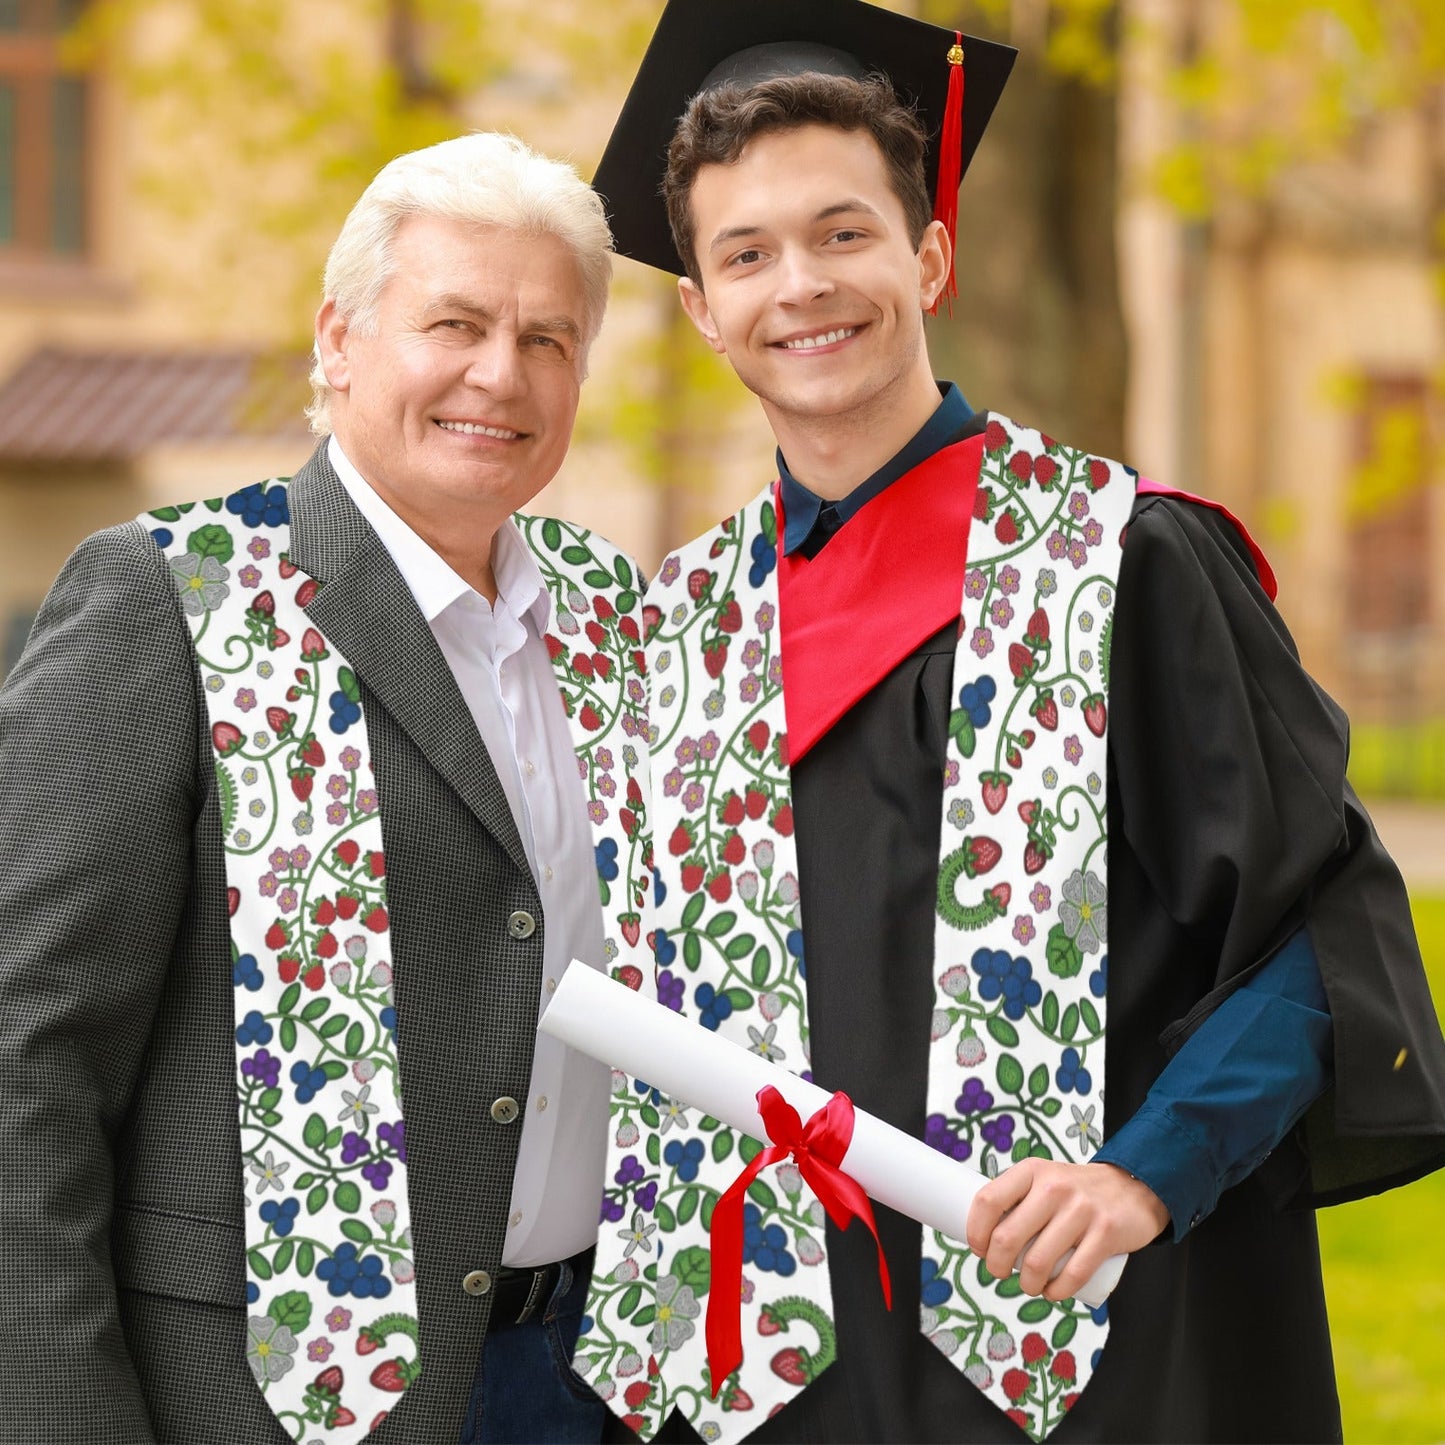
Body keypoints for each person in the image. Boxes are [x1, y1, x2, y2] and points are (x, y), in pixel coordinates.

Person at [574, 2, 1445, 1441]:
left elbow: (1316, 933)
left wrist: (1142, 1172)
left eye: (843, 233)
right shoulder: (675, 629)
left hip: (1089, 1345)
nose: (800, 285)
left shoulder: (1125, 561)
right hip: (778, 1379)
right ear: (699, 307)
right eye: (745, 254)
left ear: (928, 254)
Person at [0, 132, 653, 1444]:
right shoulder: (175, 596)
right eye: (454, 322)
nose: (499, 373)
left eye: (547, 338)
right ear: (339, 339)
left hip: (593, 1382)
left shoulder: (618, 618)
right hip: (266, 1396)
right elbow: (28, 1059)